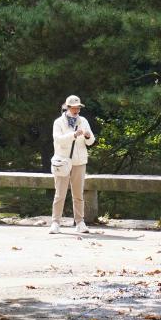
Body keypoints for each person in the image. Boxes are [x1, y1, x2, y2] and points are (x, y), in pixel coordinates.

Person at [50, 94, 95, 235]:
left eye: (78, 108)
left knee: (78, 194)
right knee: (60, 194)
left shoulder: (83, 121)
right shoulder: (58, 122)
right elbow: (58, 140)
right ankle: (55, 222)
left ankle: (80, 222)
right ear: (68, 107)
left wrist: (88, 136)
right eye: (74, 108)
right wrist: (74, 135)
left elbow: (91, 141)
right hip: (63, 161)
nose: (77, 110)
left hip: (79, 162)